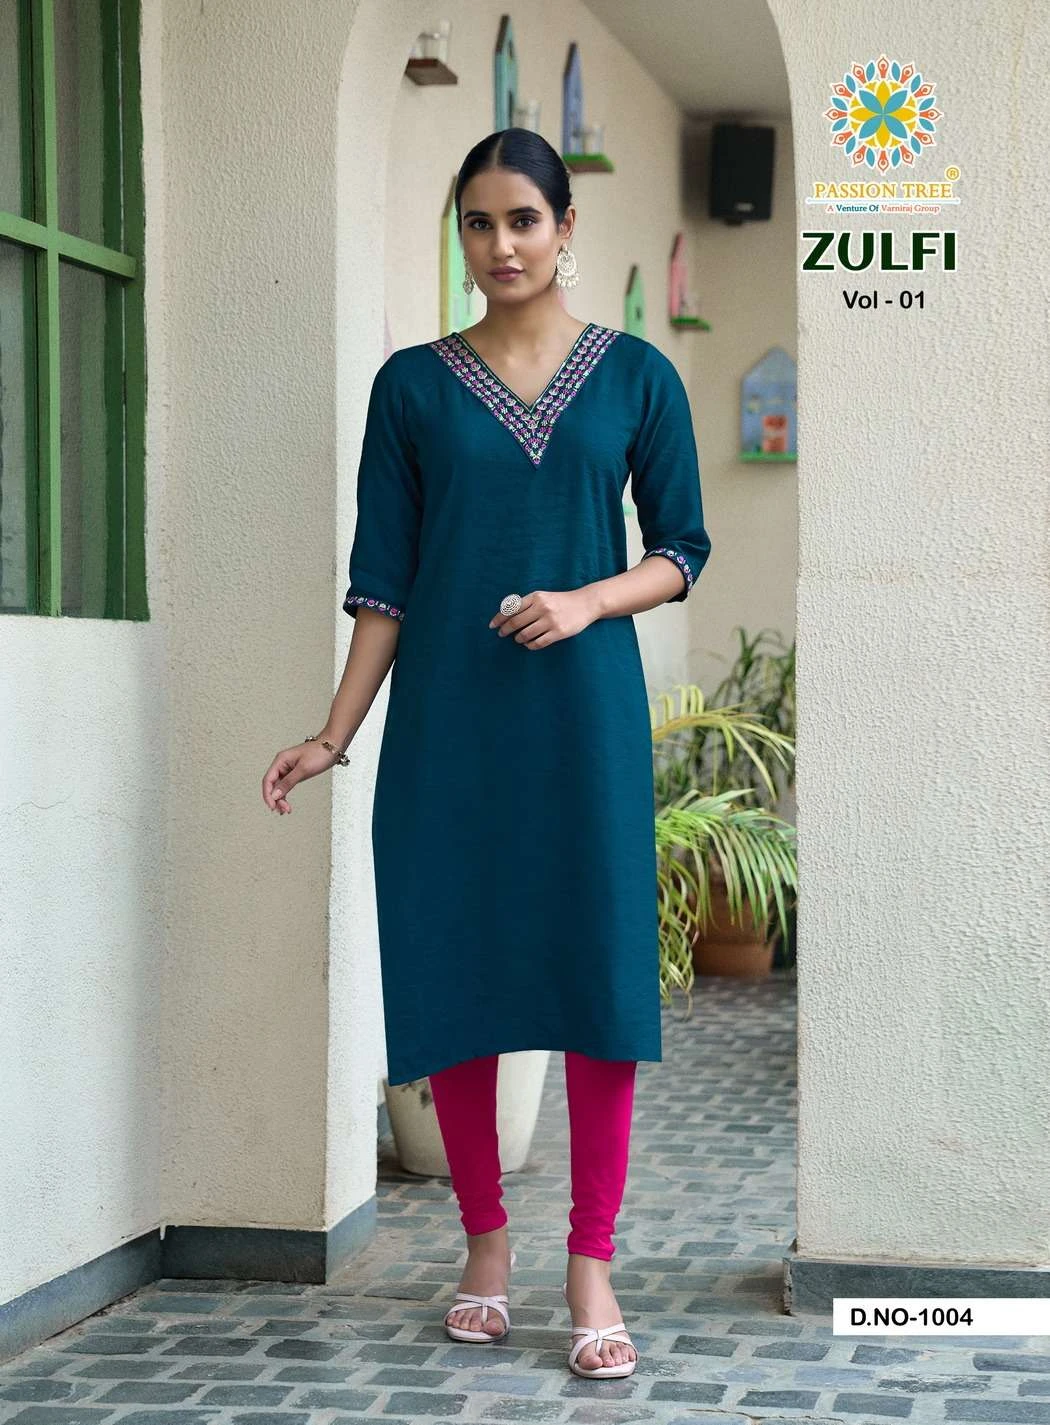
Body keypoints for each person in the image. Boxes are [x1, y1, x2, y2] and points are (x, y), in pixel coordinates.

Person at [261, 127, 712, 1379]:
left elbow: (681, 548)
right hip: (449, 728)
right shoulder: (412, 387)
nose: (502, 244)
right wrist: (334, 733)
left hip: (584, 726)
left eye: (523, 219)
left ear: (567, 228)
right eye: (478, 222)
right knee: (452, 973)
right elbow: (386, 586)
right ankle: (485, 1247)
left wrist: (586, 600)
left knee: (600, 985)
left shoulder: (637, 378)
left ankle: (591, 1265)